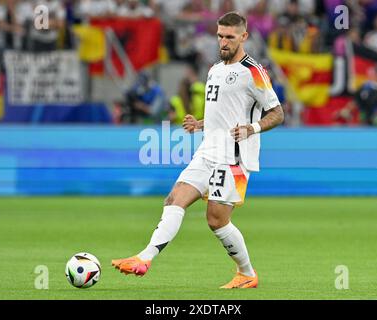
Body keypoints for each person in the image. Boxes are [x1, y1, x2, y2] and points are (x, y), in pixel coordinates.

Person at [112, 11, 284, 288]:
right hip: (208, 150)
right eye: (220, 36)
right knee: (174, 198)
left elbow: (277, 113)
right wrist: (201, 123)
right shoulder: (215, 69)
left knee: (216, 220)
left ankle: (247, 273)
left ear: (244, 37)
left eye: (229, 37)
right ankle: (144, 258)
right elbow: (225, 113)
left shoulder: (254, 72)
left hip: (234, 157)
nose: (223, 42)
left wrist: (252, 129)